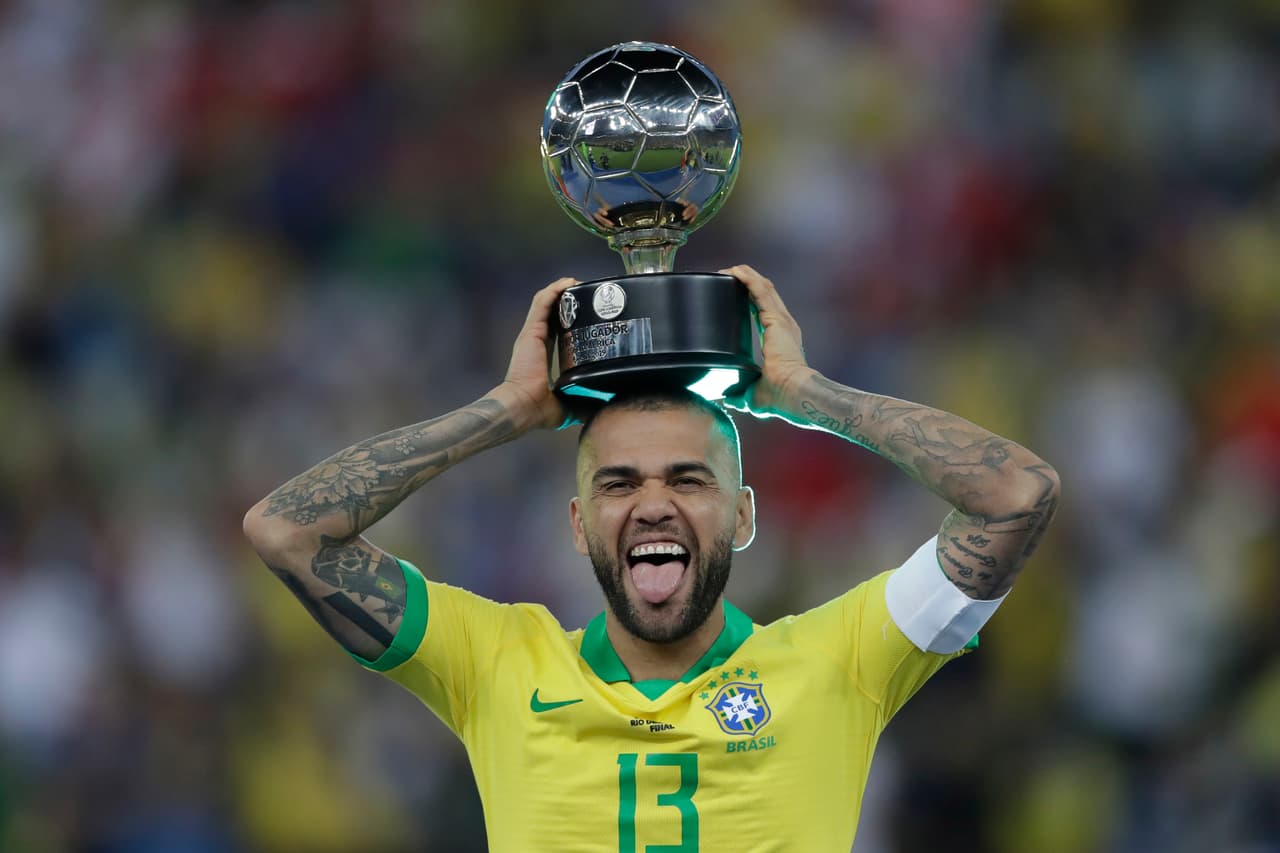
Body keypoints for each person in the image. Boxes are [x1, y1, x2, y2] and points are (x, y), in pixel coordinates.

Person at [243, 264, 1060, 851]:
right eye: (619, 482)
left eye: (689, 479)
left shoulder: (836, 660)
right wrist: (507, 409)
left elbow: (1017, 492)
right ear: (577, 523)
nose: (654, 503)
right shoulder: (494, 662)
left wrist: (804, 396)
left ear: (742, 513)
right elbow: (287, 529)